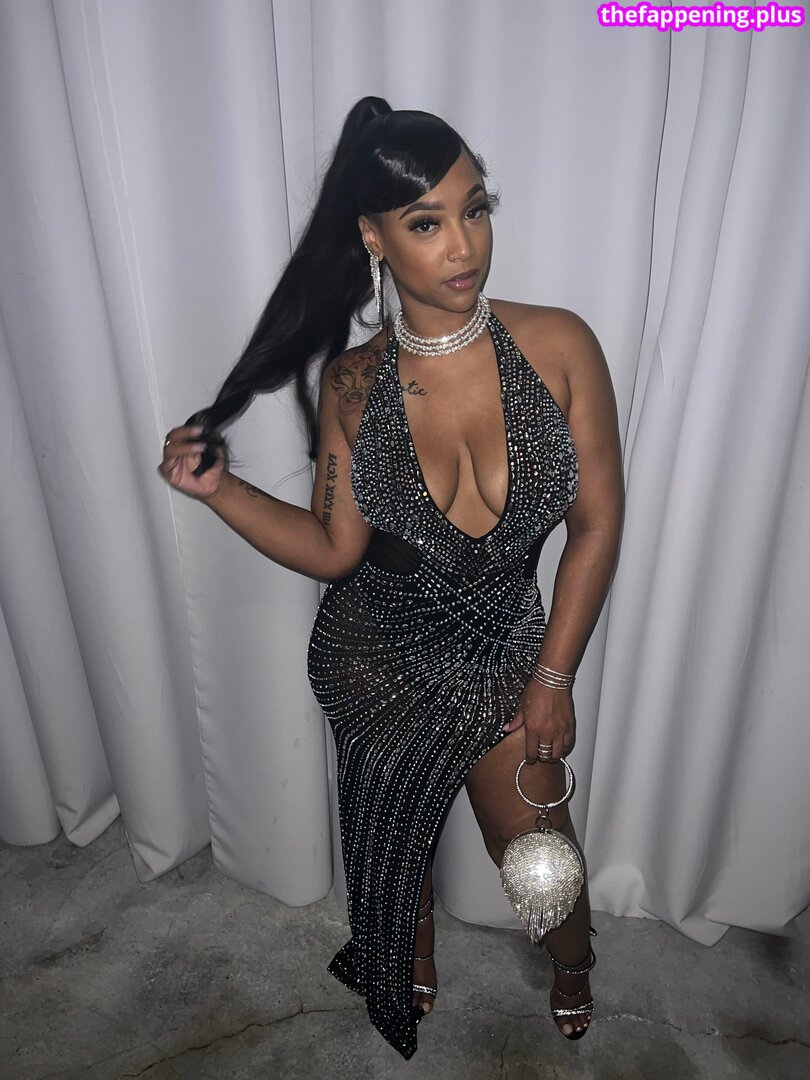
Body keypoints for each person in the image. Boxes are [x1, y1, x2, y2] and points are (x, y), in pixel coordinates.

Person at [157, 97, 623, 1060]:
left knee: (538, 858)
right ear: (373, 237)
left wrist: (553, 675)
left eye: (475, 209)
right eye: (426, 223)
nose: (464, 246)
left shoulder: (560, 346)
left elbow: (597, 523)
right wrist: (219, 491)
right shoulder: (353, 384)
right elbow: (335, 550)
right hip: (375, 657)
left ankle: (573, 961)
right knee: (390, 842)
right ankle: (409, 948)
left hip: (503, 653)